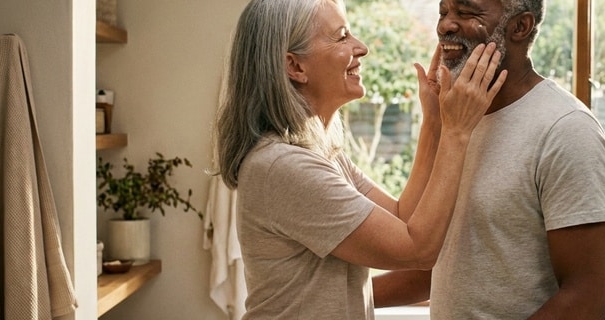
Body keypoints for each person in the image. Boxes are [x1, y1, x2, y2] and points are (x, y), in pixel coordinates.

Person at [213, 0, 507, 319]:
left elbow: (403, 218)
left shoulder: (323, 155)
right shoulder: (283, 165)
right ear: (295, 67)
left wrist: (434, 122)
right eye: (342, 36)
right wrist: (457, 131)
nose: (361, 47)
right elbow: (418, 250)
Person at [373, 0, 605, 319]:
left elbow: (585, 300)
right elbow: (437, 268)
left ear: (520, 26)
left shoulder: (567, 129)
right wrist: (332, 294)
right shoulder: (458, 123)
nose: (445, 25)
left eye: (466, 12)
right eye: (443, 12)